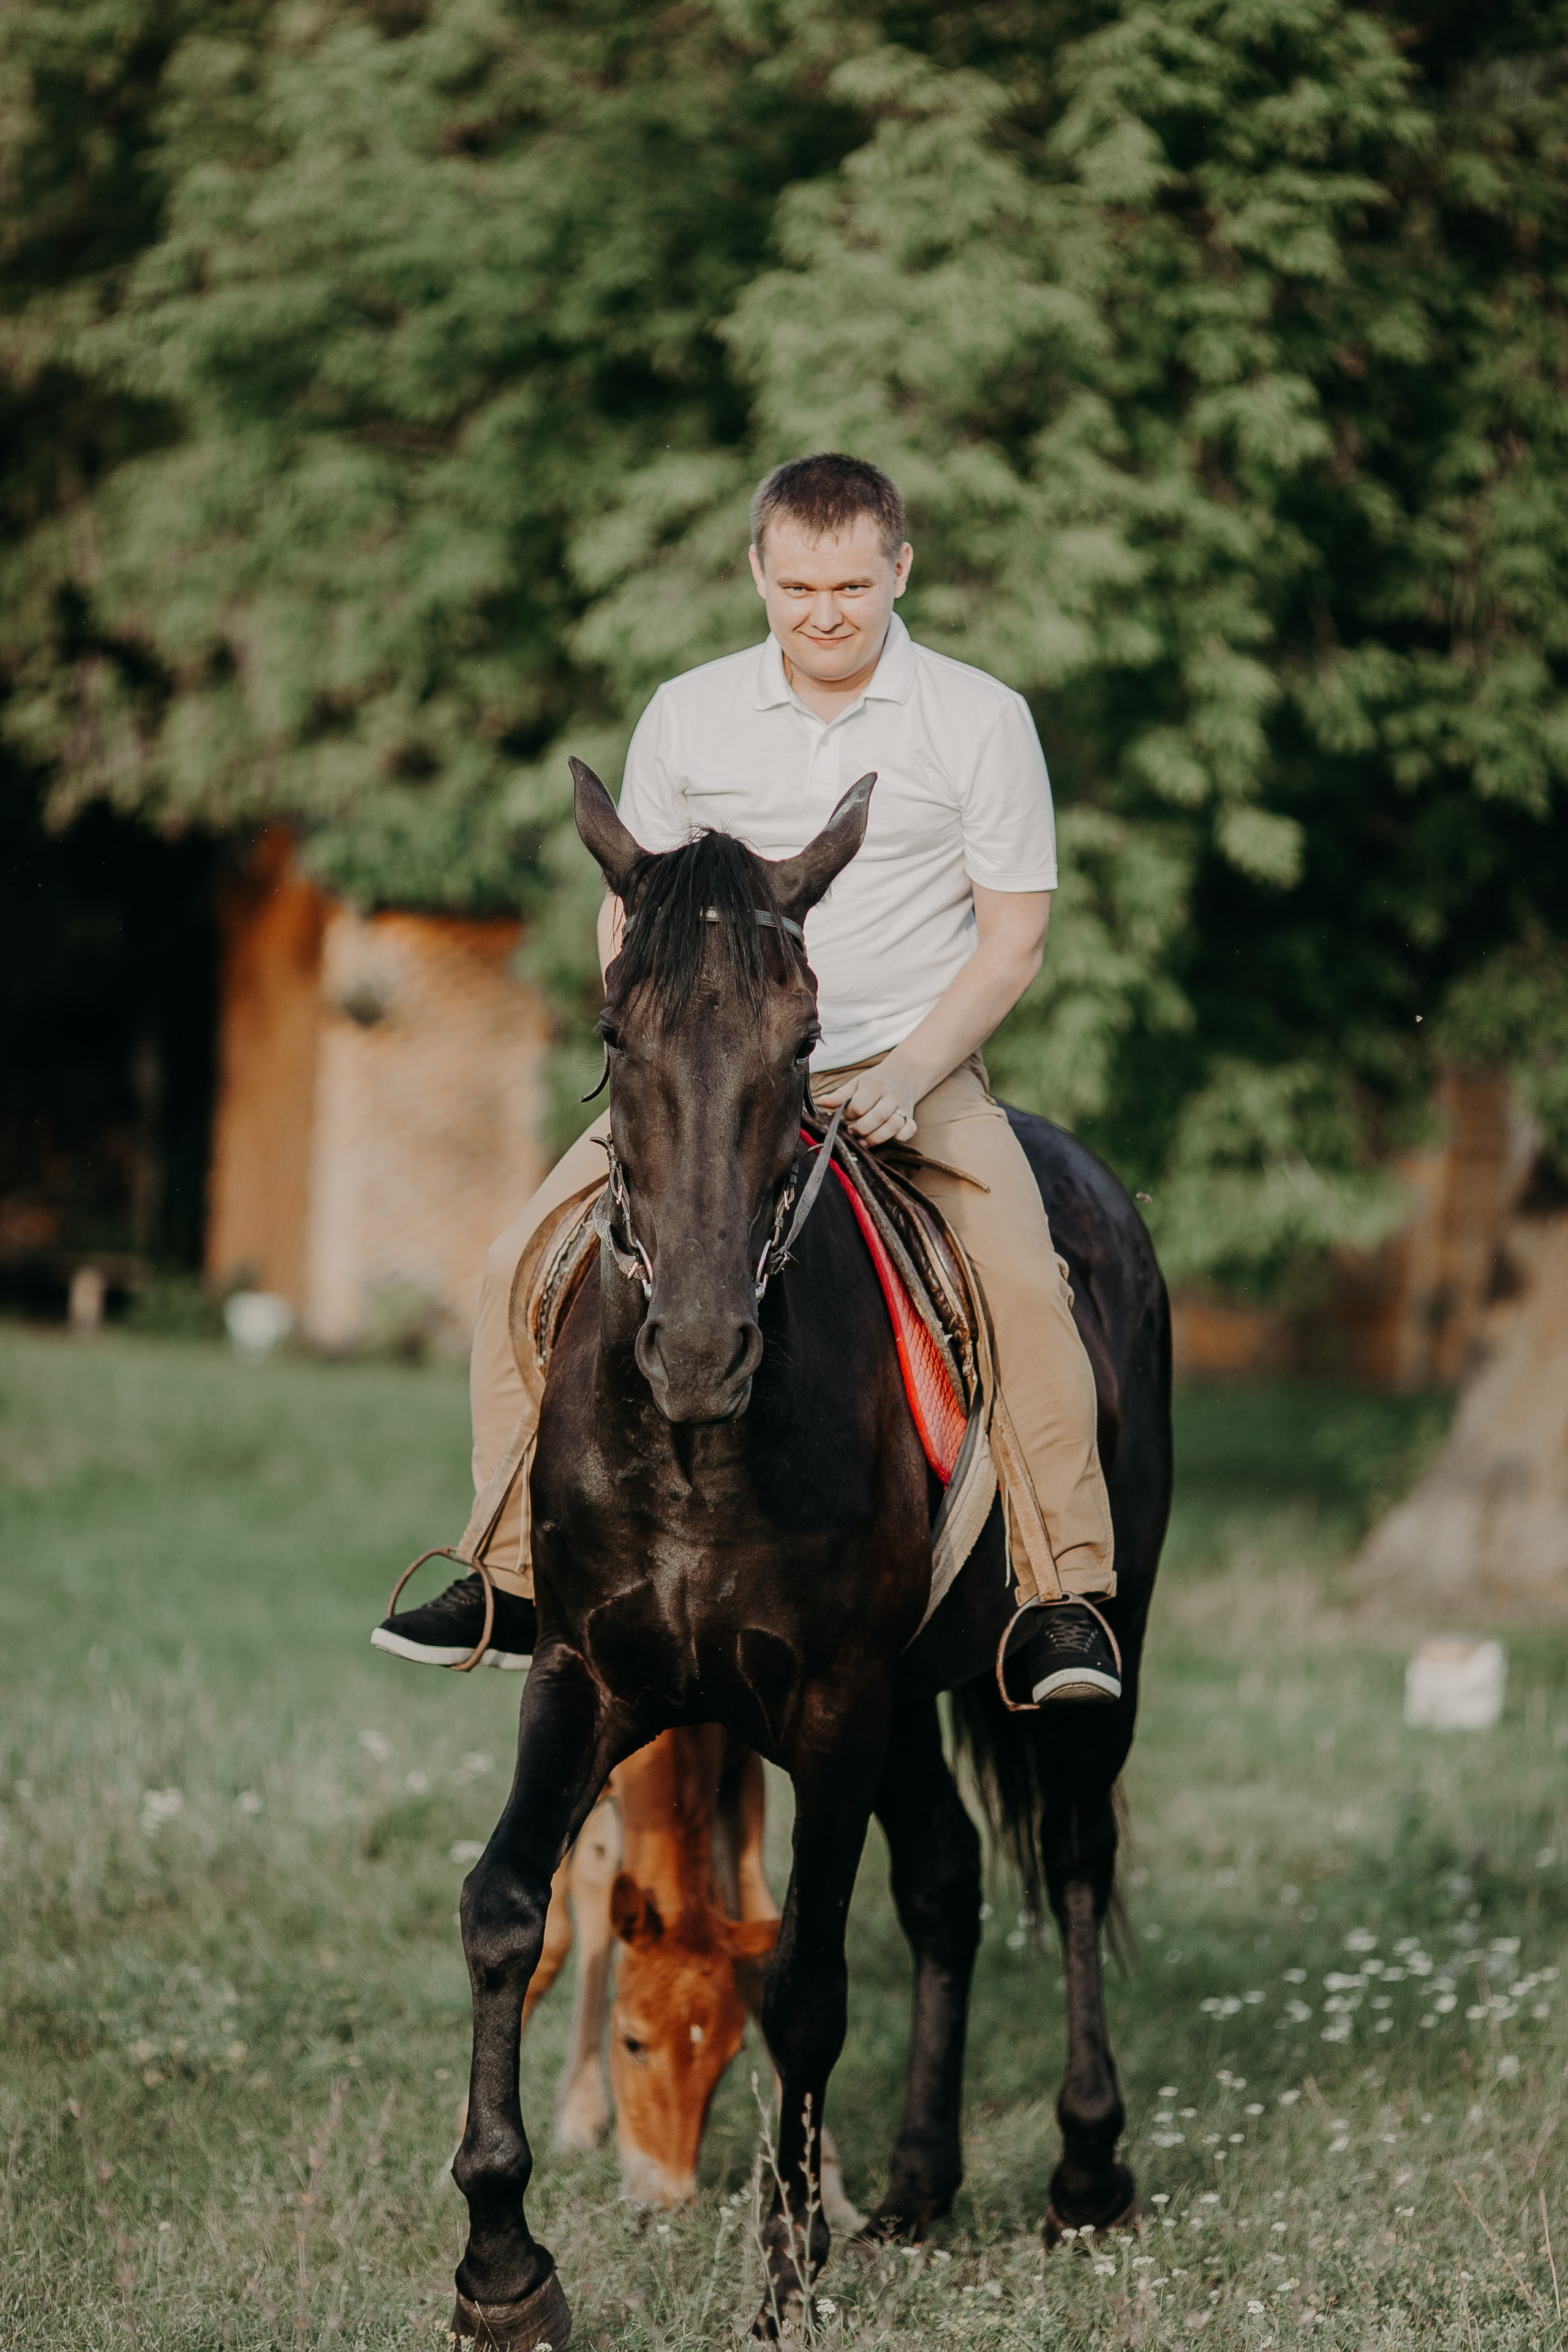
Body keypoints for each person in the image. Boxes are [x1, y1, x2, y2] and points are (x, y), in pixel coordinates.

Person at [374, 453, 1118, 1705]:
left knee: (1023, 1283)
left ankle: (1062, 1599)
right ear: (757, 574)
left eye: (851, 586)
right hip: (706, 1078)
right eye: (798, 587)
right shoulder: (688, 713)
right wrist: (651, 1049)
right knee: (515, 1263)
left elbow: (1014, 940)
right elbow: (634, 910)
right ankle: (508, 1576)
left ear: (900, 570)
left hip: (903, 1062)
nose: (824, 613)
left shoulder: (980, 719)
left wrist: (914, 1073)